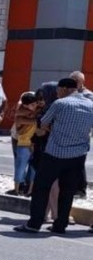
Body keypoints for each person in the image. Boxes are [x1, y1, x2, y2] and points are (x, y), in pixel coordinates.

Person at [14, 78, 93, 234]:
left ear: (64, 89)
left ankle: (34, 224)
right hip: (78, 156)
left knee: (41, 188)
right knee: (67, 191)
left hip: (55, 153)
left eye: (58, 90)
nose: (57, 93)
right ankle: (60, 225)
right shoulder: (90, 105)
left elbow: (43, 123)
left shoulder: (60, 104)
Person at [10, 92, 40, 196]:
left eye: (35, 104)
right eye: (31, 105)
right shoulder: (21, 116)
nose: (34, 106)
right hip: (24, 144)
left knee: (32, 169)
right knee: (20, 168)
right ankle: (17, 189)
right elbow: (33, 121)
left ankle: (29, 190)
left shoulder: (33, 112)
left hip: (33, 144)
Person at [68, 71, 90, 199]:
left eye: (74, 81)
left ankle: (81, 189)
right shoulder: (70, 94)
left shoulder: (88, 96)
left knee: (79, 162)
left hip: (81, 134)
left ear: (80, 81)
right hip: (70, 132)